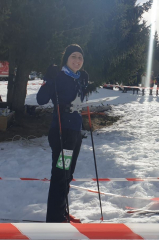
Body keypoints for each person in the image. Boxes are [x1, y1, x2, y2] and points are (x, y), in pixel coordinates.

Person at [36, 44, 88, 223]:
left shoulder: (78, 78)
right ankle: (55, 219)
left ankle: (62, 212)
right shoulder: (58, 76)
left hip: (74, 133)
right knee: (60, 176)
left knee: (68, 175)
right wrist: (49, 79)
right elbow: (41, 99)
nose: (77, 60)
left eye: (80, 58)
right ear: (66, 58)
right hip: (61, 133)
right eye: (74, 56)